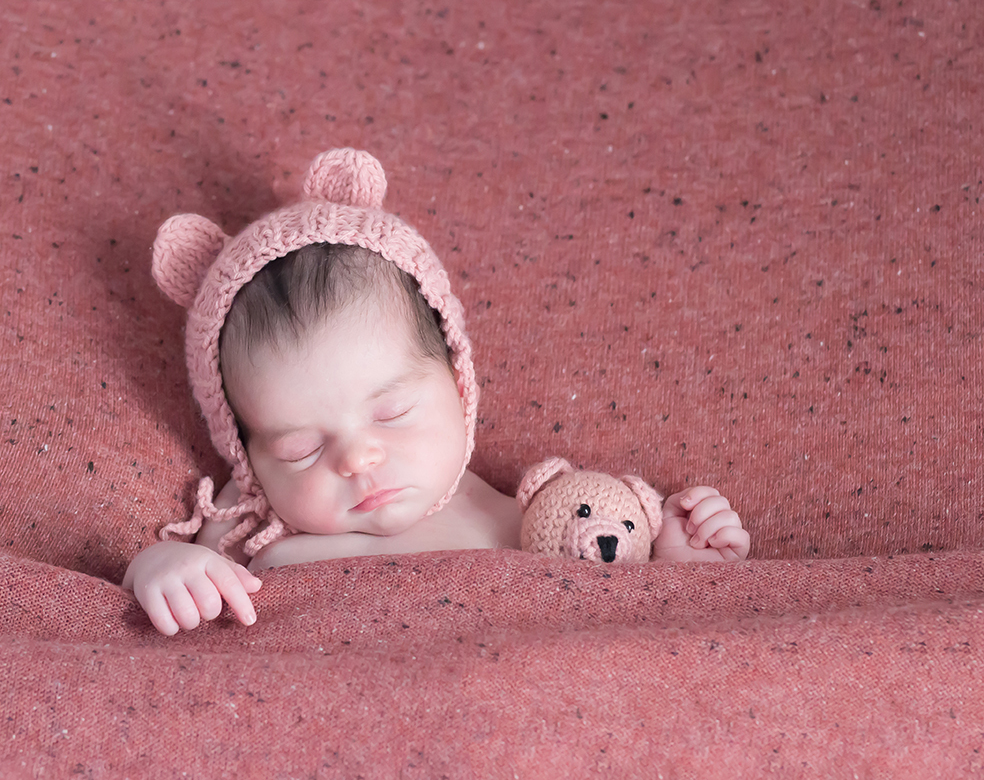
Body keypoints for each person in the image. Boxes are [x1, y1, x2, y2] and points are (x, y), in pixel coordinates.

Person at [123, 149, 750, 635]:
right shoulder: (255, 538)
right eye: (300, 450)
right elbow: (173, 599)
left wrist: (678, 564)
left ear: (457, 384)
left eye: (393, 412)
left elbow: (630, 631)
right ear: (247, 457)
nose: (356, 460)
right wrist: (161, 570)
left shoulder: (532, 522)